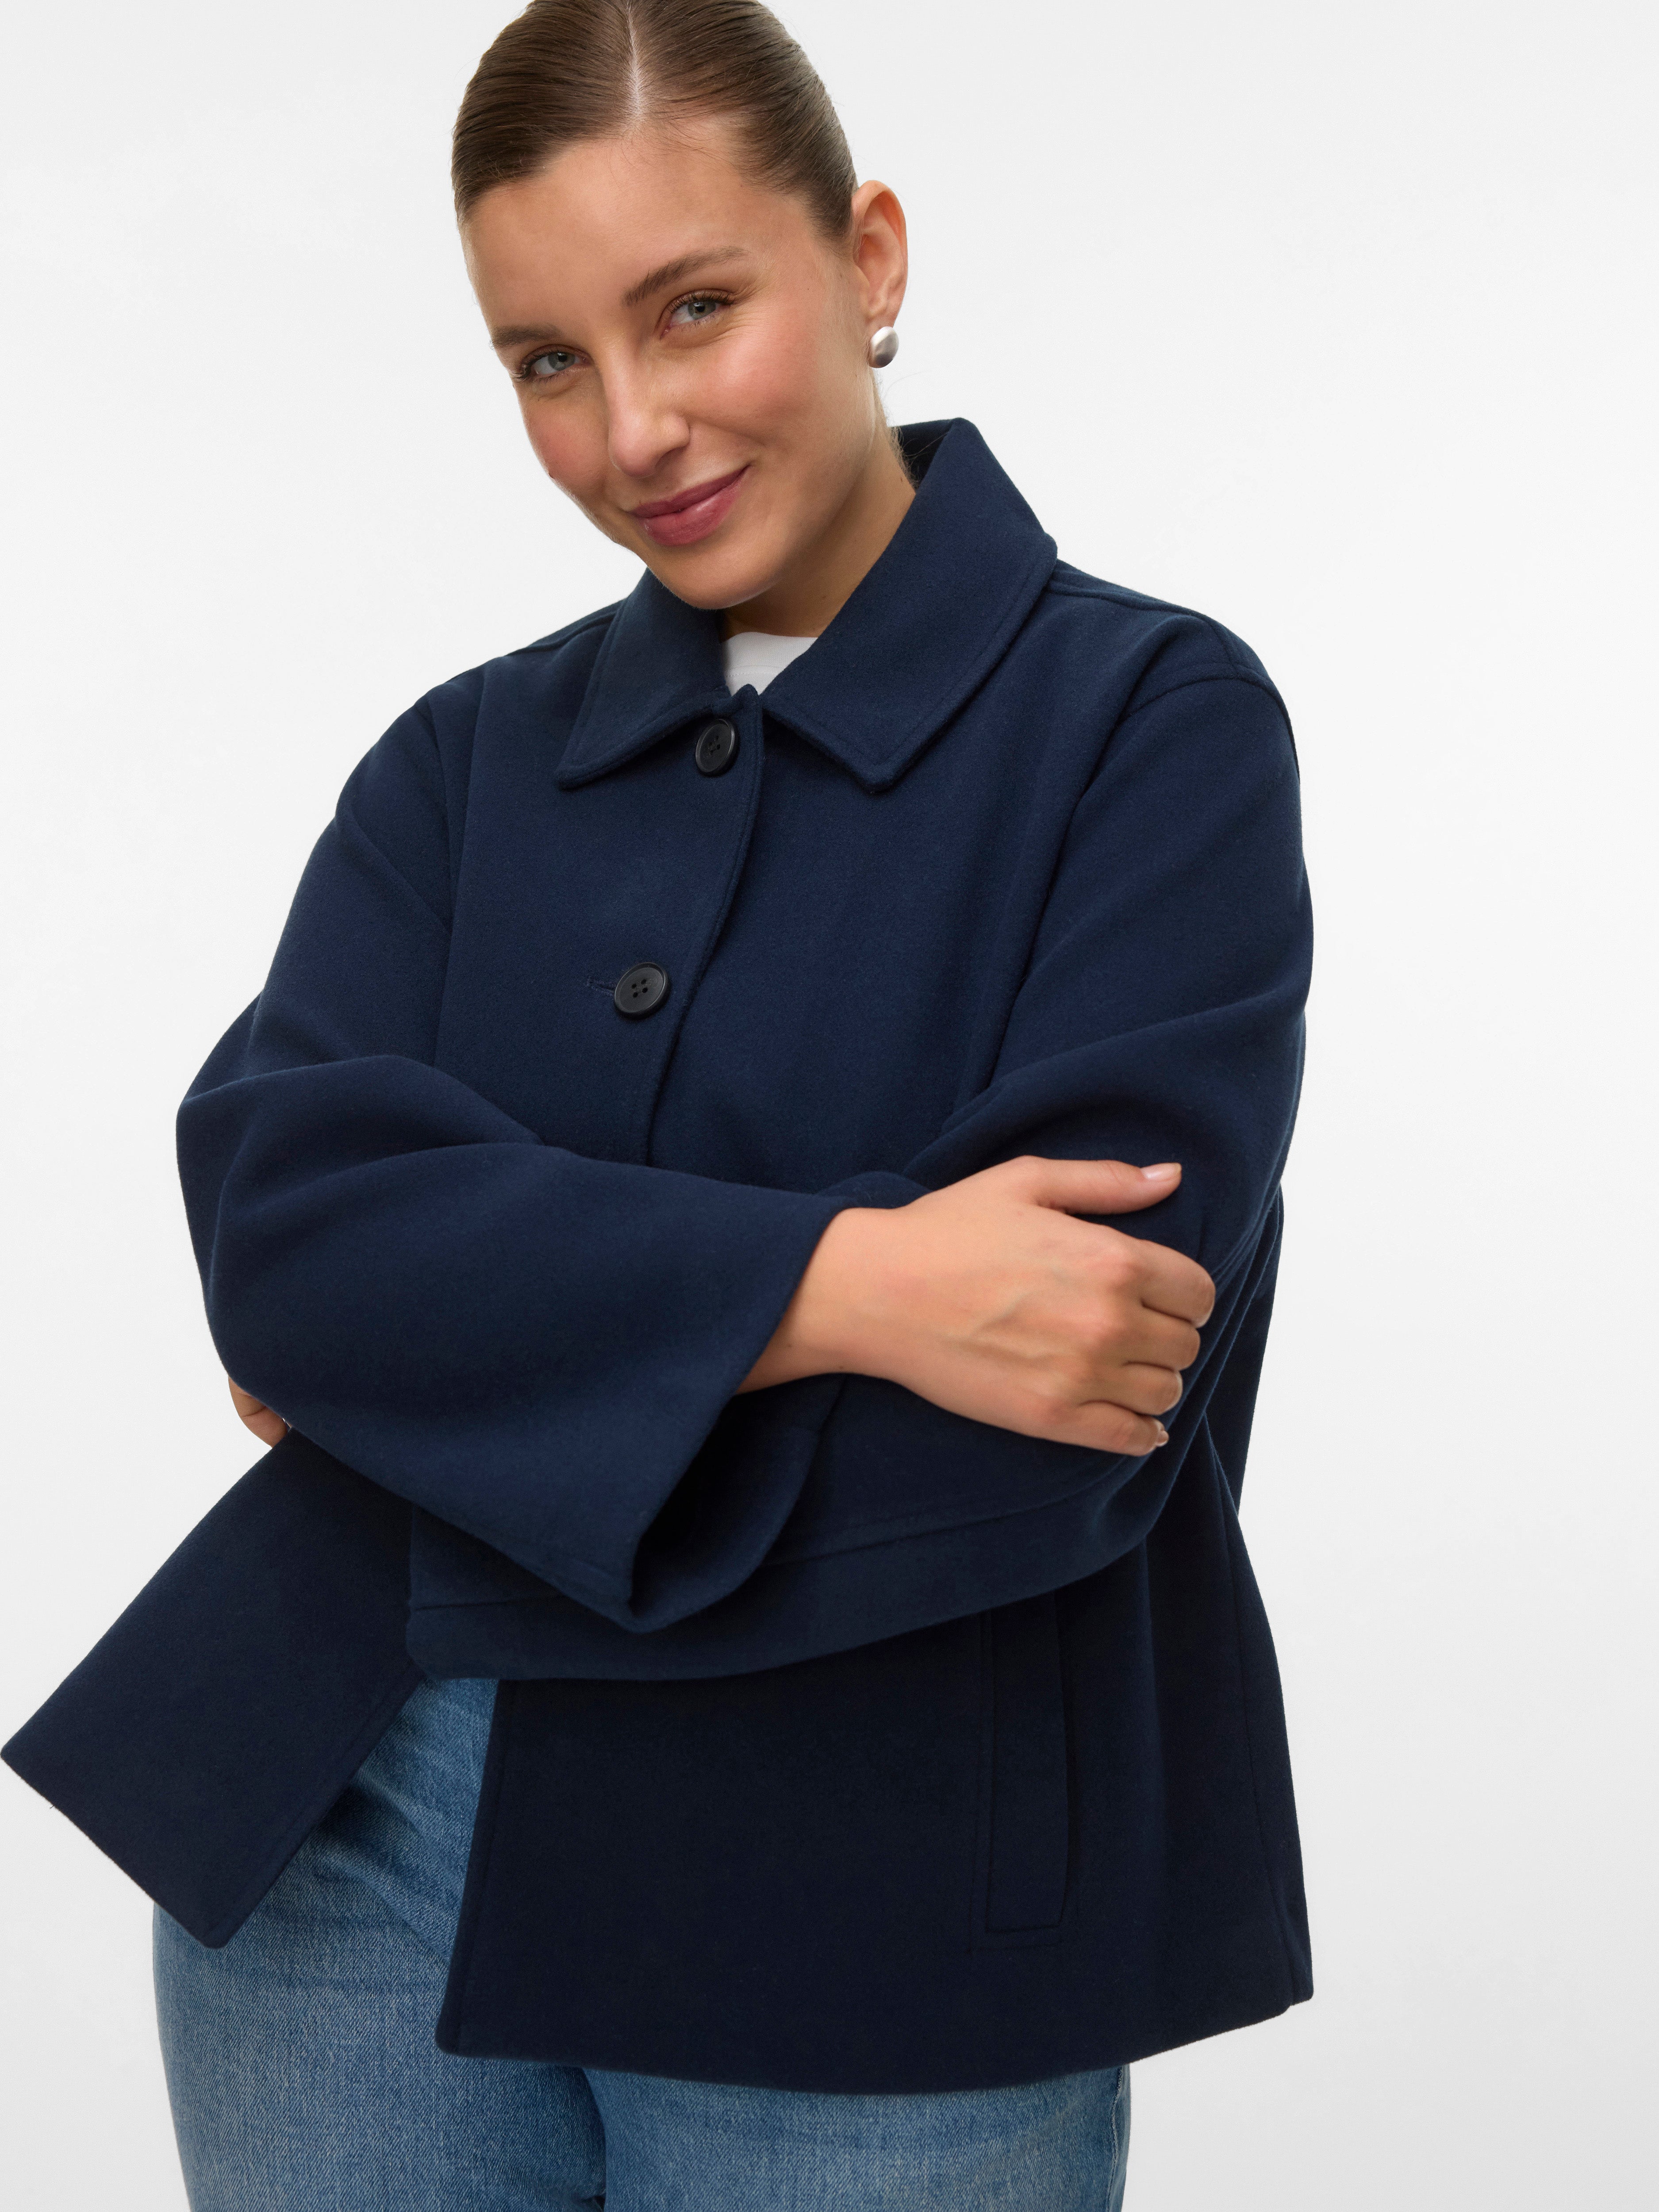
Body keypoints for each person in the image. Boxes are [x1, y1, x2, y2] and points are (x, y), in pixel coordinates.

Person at [3, 3, 1313, 2205]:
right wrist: (849, 1282)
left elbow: (1081, 1362)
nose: (632, 429)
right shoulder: (459, 763)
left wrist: (464, 1367)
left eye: (692, 307)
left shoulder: (1146, 725)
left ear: (867, 255)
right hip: (356, 1830)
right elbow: (283, 1238)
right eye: (545, 360)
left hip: (895, 1883)